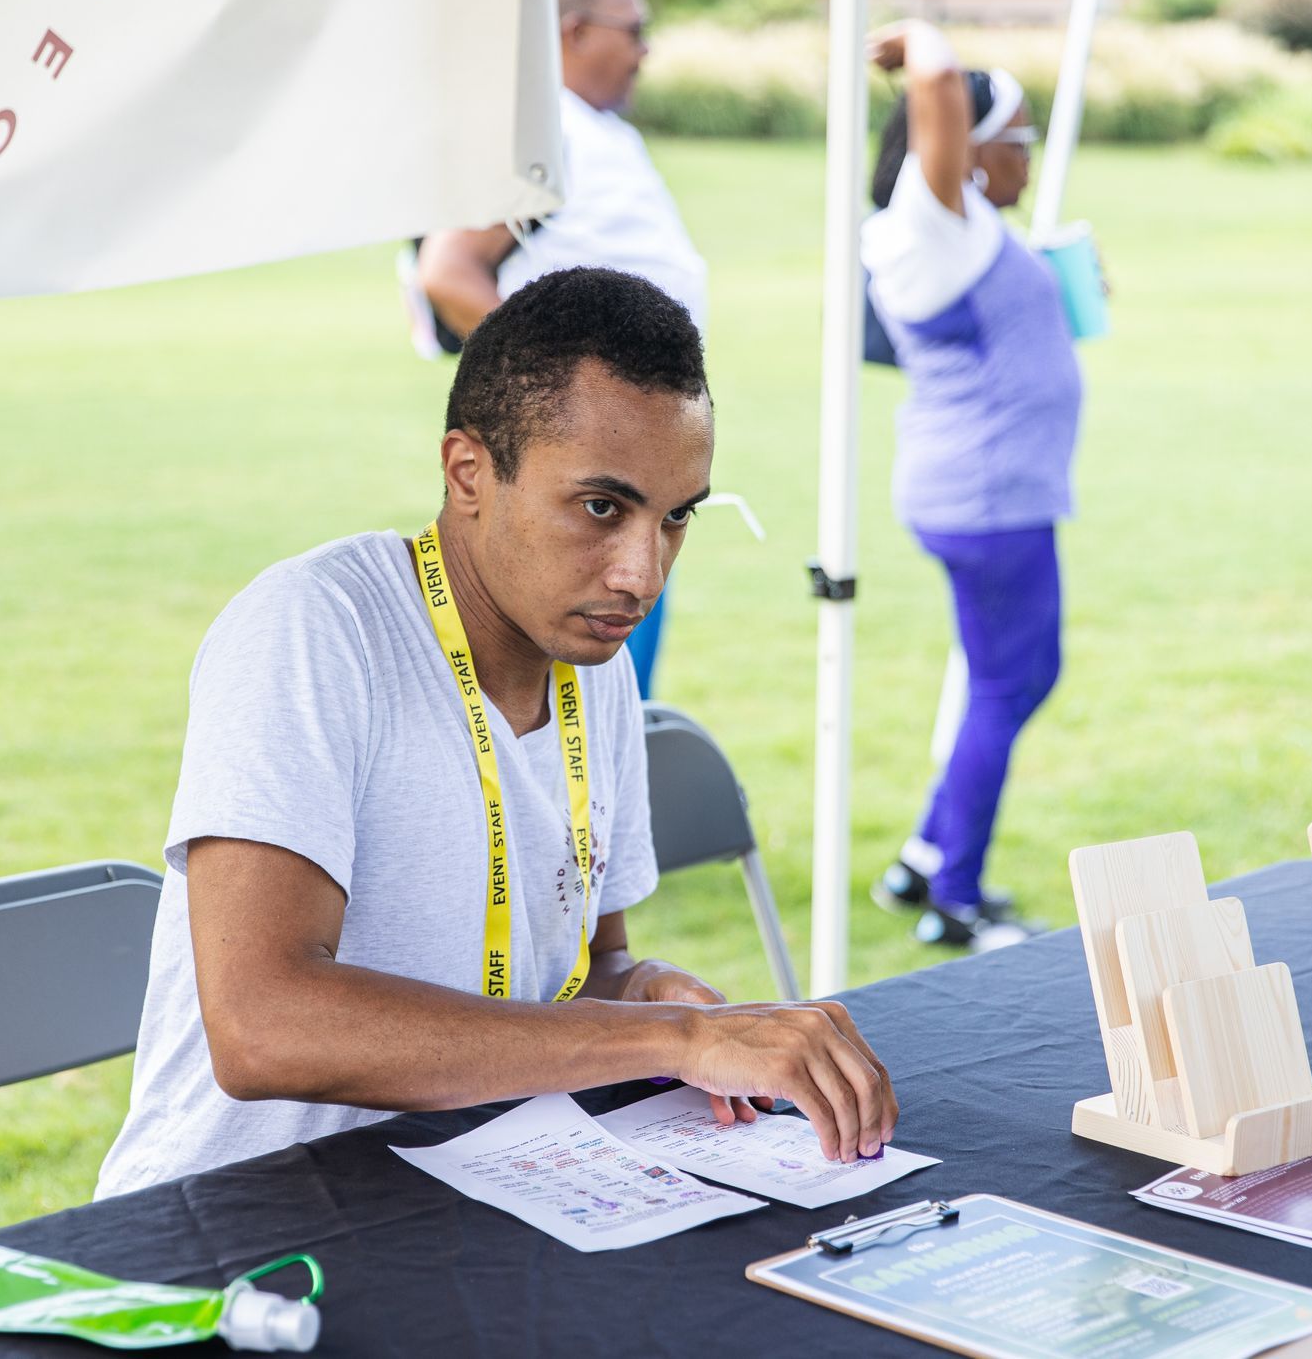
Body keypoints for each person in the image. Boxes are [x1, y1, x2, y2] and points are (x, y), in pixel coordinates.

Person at [95, 269, 895, 1198]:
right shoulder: (314, 629)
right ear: (468, 473)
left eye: (677, 516)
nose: (643, 572)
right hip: (244, 1221)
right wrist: (674, 1039)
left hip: (483, 1193)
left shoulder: (595, 663)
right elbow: (264, 1023)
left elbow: (591, 968)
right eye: (602, 507)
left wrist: (644, 993)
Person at [860, 21, 1082, 953]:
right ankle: (955, 895)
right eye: (1020, 141)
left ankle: (924, 852)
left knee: (1014, 676)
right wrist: (925, 45)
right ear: (974, 152)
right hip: (990, 500)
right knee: (1008, 680)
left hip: (992, 490)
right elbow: (939, 96)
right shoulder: (930, 219)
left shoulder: (965, 230)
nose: (1029, 161)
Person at [414, 0, 703, 698]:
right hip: (587, 490)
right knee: (566, 714)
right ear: (572, 33)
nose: (645, 49)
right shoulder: (546, 137)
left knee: (614, 714)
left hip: (637, 474)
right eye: (633, 30)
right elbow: (449, 270)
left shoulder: (598, 134)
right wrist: (557, 407)